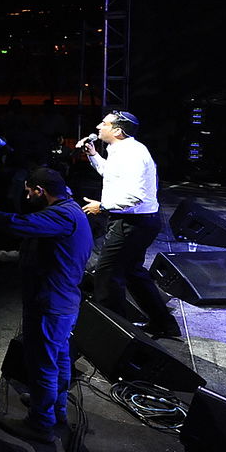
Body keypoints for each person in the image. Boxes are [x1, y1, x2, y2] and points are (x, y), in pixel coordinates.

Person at [0, 167, 92, 443]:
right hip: (61, 303)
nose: (27, 197)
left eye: (29, 192)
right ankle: (54, 408)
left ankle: (40, 423)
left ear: (40, 190)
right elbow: (37, 255)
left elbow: (20, 224)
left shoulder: (61, 216)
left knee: (42, 365)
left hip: (50, 305)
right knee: (58, 359)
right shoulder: (70, 211)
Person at [79, 111, 179, 338]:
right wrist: (93, 155)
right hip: (137, 222)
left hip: (133, 223)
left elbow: (136, 196)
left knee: (107, 275)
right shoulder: (122, 150)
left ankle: (115, 336)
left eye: (104, 123)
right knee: (132, 272)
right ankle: (164, 324)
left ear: (117, 130)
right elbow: (111, 174)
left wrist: (102, 206)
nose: (98, 126)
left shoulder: (132, 154)